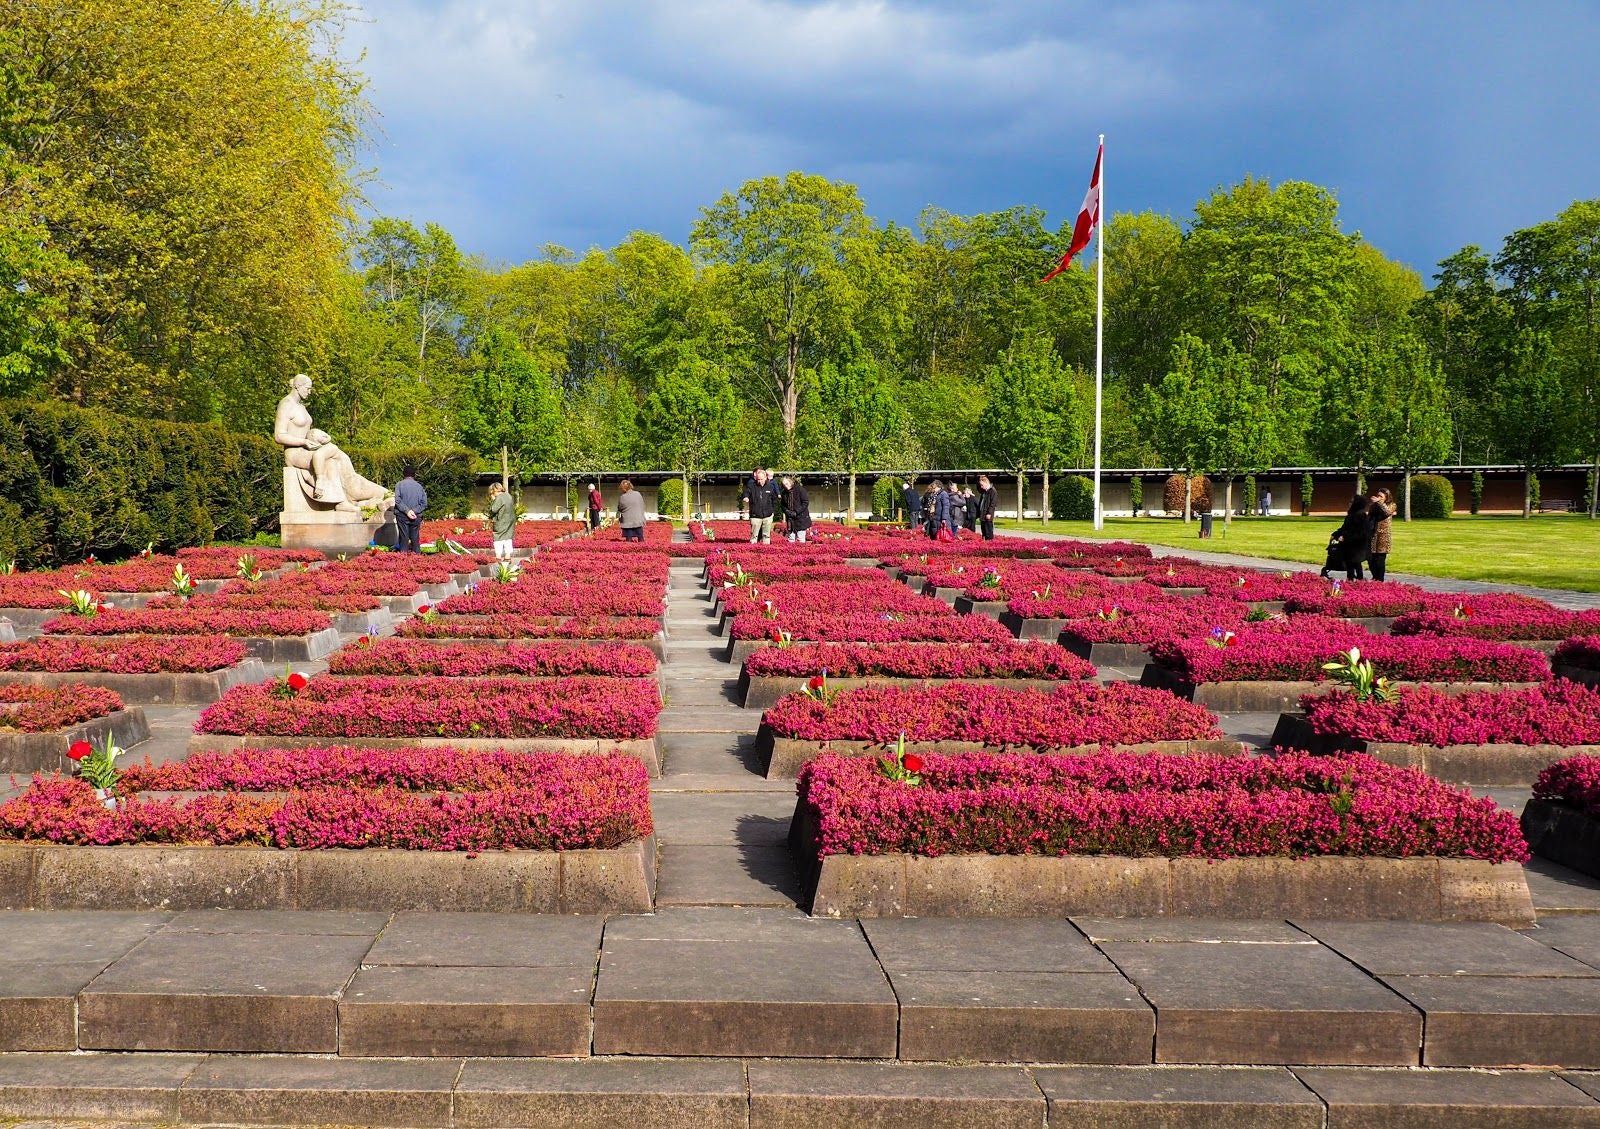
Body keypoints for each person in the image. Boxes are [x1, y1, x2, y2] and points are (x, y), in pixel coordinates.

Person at [273, 373, 391, 513]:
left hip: (309, 449)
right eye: (308, 388)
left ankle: (375, 495)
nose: (309, 392)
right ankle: (340, 502)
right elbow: (279, 436)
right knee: (329, 462)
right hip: (295, 453)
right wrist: (303, 442)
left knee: (342, 459)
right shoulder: (286, 404)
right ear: (298, 386)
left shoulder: (302, 407)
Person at [1322, 492, 1374, 581]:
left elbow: (1360, 532)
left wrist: (1345, 538)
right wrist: (1335, 534)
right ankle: (1354, 580)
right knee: (1352, 563)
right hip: (1351, 545)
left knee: (1354, 563)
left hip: (1356, 545)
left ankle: (1355, 581)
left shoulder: (1360, 515)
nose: (1349, 503)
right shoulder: (1352, 515)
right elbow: (1344, 528)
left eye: (1351, 502)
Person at [743, 467, 781, 544]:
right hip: (755, 515)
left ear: (765, 478)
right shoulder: (751, 486)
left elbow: (774, 499)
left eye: (761, 479)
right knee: (754, 536)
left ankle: (766, 550)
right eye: (758, 479)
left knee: (766, 536)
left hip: (767, 515)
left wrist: (772, 511)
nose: (759, 481)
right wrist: (746, 497)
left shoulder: (770, 486)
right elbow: (746, 493)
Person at [394, 464, 427, 553]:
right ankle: (417, 561)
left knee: (404, 539)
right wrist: (414, 511)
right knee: (415, 539)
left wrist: (407, 511)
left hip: (402, 516)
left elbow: (397, 500)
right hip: (416, 517)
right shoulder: (420, 487)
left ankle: (403, 562)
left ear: (403, 474)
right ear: (414, 475)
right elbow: (424, 503)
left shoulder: (399, 485)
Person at [1367, 487, 1397, 581]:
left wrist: (1379, 503)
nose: (1378, 497)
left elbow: (1387, 512)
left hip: (1383, 536)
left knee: (1380, 559)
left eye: (1381, 496)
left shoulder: (1392, 505)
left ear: (1386, 497)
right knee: (1370, 558)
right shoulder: (1375, 505)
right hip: (1373, 535)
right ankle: (1374, 577)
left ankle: (1380, 579)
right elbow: (1370, 517)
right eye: (1378, 496)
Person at [487, 482, 516, 560]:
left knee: (498, 538)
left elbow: (493, 510)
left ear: (494, 490)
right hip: (510, 521)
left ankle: (498, 556)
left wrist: (493, 500)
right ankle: (507, 556)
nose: (492, 494)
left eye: (492, 493)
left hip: (501, 521)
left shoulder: (499, 498)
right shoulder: (508, 495)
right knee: (508, 538)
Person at [780, 474, 812, 543]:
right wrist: (787, 511)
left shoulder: (800, 489)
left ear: (790, 482)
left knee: (800, 539)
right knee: (791, 539)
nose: (785, 485)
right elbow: (782, 505)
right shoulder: (784, 493)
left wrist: (796, 512)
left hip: (801, 518)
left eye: (787, 483)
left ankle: (801, 553)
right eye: (784, 484)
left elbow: (805, 502)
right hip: (790, 520)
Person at [977, 475, 998, 540]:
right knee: (984, 532)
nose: (981, 487)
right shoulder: (984, 492)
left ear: (986, 483)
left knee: (988, 532)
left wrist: (989, 513)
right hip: (982, 514)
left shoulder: (993, 491)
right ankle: (984, 544)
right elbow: (981, 503)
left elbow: (993, 504)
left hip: (987, 515)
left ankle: (989, 545)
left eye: (982, 485)